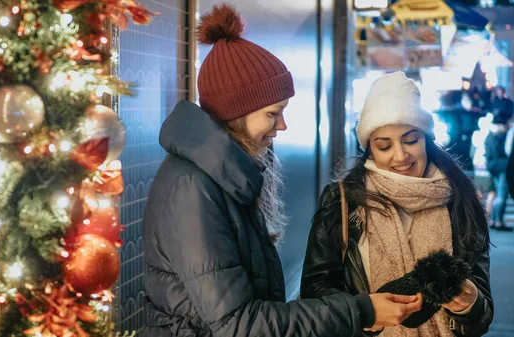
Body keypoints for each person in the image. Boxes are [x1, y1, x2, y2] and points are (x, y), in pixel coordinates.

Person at [139, 5, 422, 337]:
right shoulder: (193, 188)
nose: (282, 126)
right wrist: (361, 310)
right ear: (237, 111)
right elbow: (238, 323)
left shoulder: (220, 174)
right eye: (274, 113)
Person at [301, 72, 493, 336]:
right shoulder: (343, 201)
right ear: (369, 149)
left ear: (426, 138)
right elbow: (315, 290)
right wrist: (365, 313)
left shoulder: (460, 199)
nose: (400, 155)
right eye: (384, 145)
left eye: (411, 140)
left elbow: (482, 317)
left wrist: (469, 305)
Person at [485, 111, 512, 230]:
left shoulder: (490, 136)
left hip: (492, 166)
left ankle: (493, 220)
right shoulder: (503, 135)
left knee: (497, 194)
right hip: (503, 167)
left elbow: (488, 153)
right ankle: (498, 221)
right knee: (502, 194)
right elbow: (508, 150)